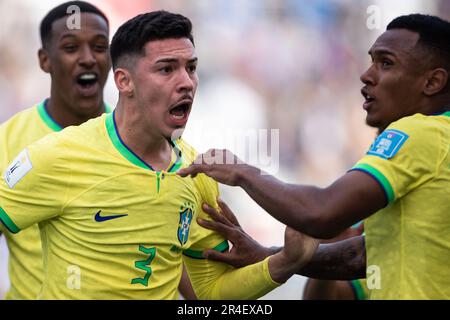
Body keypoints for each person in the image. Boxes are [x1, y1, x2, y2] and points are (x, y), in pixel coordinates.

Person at [0, 10, 318, 299]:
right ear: (124, 81)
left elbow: (209, 294)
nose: (186, 83)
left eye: (190, 68)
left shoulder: (198, 176)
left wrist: (284, 262)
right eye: (166, 69)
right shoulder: (60, 155)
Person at [178, 14, 450, 299]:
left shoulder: (423, 132)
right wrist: (270, 256)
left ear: (433, 82)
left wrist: (243, 172)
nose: (367, 75)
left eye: (386, 63)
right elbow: (360, 256)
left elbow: (321, 212)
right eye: (372, 60)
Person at [0, 1, 111, 300]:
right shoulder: (7, 142)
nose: (88, 59)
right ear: (44, 60)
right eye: (71, 47)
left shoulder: (142, 143)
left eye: (100, 47)